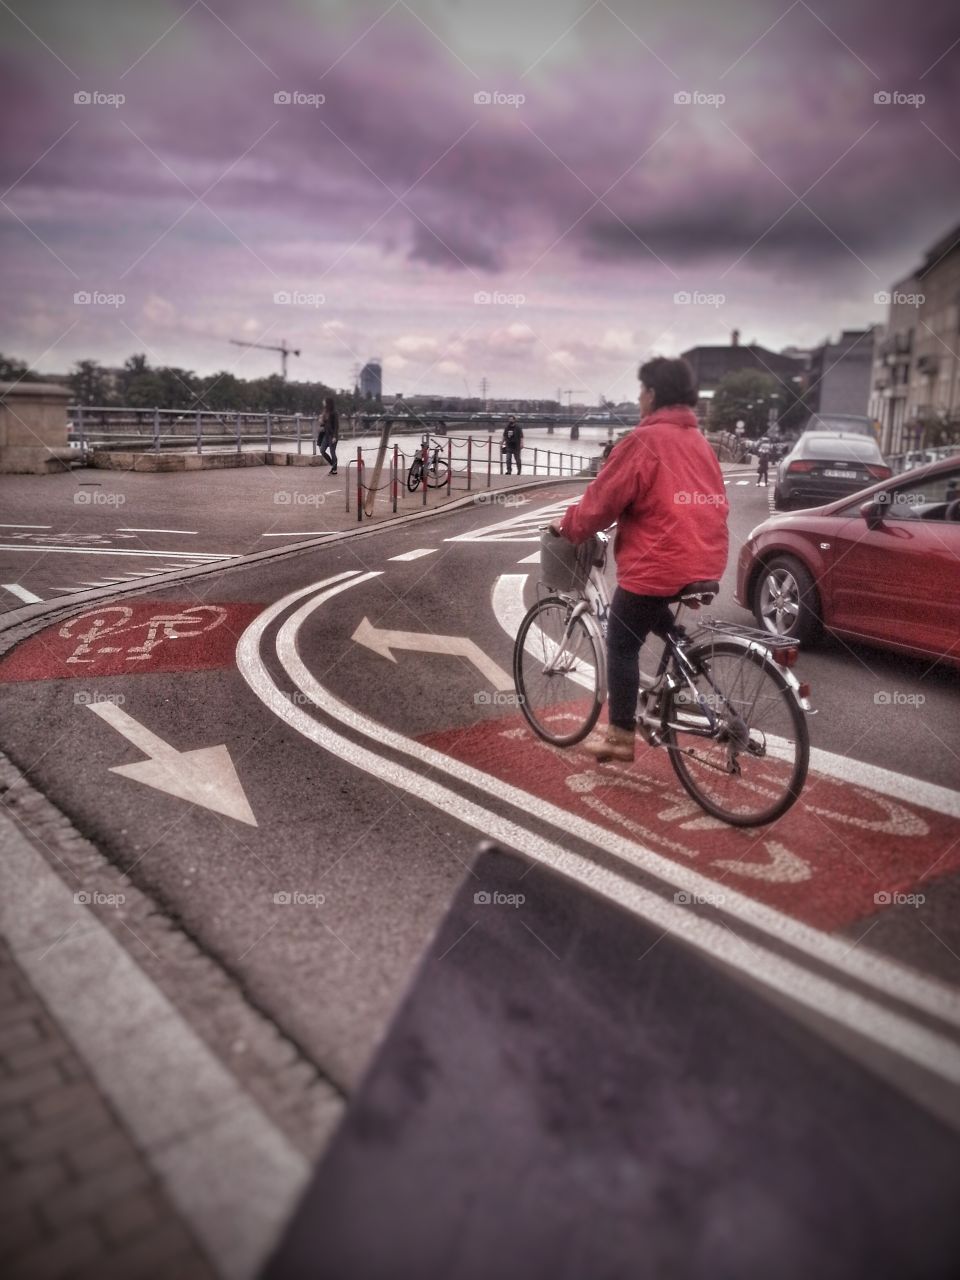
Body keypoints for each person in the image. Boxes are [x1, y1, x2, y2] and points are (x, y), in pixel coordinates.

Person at [549, 356, 729, 763]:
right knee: (651, 611)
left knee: (621, 642)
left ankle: (619, 736)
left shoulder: (643, 441)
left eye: (640, 391)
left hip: (660, 563)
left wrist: (569, 528)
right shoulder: (700, 443)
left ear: (651, 394)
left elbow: (600, 504)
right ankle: (684, 656)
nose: (638, 398)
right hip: (703, 557)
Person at [318, 396, 339, 474]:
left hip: (332, 435)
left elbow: (336, 426)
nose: (323, 403)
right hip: (325, 435)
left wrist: (334, 436)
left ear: (328, 403)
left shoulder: (334, 413)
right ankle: (333, 465)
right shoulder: (325, 412)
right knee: (322, 450)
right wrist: (321, 420)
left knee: (332, 452)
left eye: (324, 401)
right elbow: (323, 423)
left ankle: (334, 469)